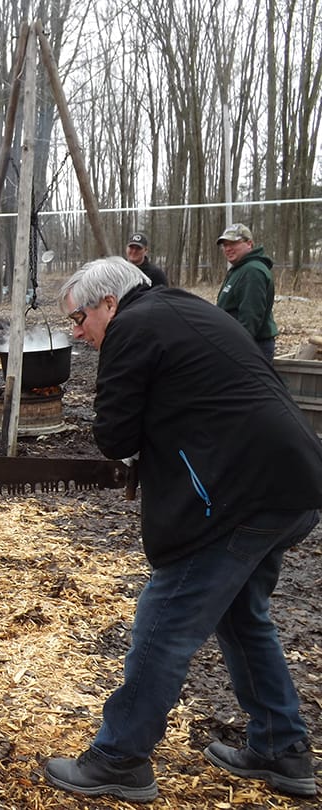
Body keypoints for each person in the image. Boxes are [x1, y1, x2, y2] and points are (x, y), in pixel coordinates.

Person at [44, 256, 322, 802]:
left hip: (237, 497)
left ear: (109, 303)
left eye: (80, 319)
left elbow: (113, 435)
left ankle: (120, 758)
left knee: (163, 626)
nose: (79, 334)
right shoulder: (182, 308)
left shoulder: (132, 327)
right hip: (290, 482)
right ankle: (281, 749)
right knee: (243, 618)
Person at [215, 223, 278, 361]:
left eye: (233, 243)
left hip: (250, 347)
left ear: (249, 244)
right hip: (239, 345)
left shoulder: (253, 271)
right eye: (225, 245)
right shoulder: (239, 269)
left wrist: (237, 350)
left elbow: (250, 317)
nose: (228, 248)